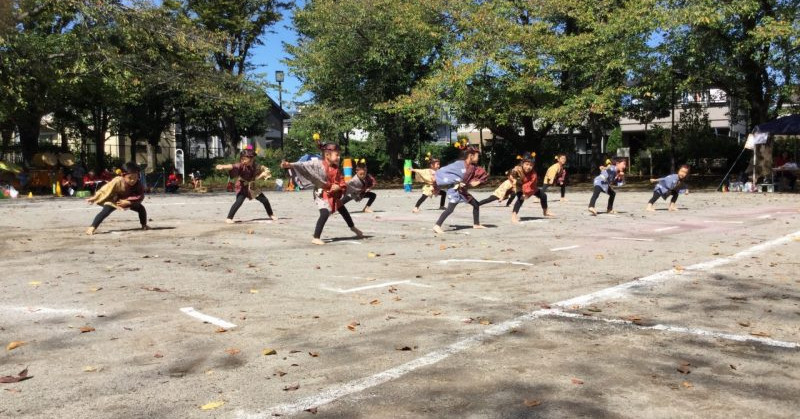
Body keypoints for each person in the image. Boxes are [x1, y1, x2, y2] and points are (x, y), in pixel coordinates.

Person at [281, 142, 363, 245]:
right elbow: (303, 165)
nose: (339, 157)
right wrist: (290, 165)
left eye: (339, 154)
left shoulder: (336, 168)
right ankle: (316, 237)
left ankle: (353, 228)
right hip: (321, 193)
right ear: (327, 155)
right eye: (336, 154)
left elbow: (341, 181)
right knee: (324, 213)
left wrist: (339, 186)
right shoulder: (317, 164)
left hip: (333, 193)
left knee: (343, 210)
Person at [433, 140, 488, 234]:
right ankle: (437, 225)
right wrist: (455, 180)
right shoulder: (458, 164)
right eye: (477, 156)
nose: (478, 158)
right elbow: (443, 171)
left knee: (476, 204)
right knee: (450, 209)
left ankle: (476, 224)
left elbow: (476, 176)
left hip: (463, 190)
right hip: (455, 190)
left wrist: (478, 181)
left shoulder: (472, 167)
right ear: (471, 156)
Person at [85, 162, 148, 235]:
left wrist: (129, 202)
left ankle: (144, 225)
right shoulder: (117, 181)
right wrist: (95, 197)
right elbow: (105, 190)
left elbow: (140, 195)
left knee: (141, 209)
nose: (133, 180)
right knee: (105, 211)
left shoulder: (138, 184)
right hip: (114, 200)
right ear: (123, 175)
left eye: (135, 177)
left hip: (129, 200)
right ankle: (92, 227)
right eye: (130, 178)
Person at [216, 148, 275, 223]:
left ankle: (271, 214)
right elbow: (233, 166)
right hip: (242, 186)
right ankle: (229, 218)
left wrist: (264, 173)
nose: (243, 161)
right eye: (242, 159)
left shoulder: (256, 166)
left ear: (252, 159)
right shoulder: (241, 165)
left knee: (265, 200)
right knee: (239, 201)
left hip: (251, 186)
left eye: (245, 159)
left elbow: (260, 174)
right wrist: (223, 166)